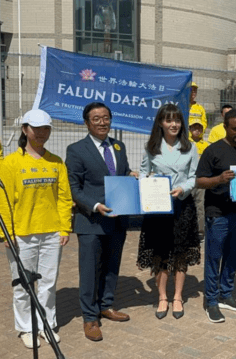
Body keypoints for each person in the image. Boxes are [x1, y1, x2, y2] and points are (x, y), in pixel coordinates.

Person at [0, 109, 72, 349]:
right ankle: (25, 327)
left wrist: (65, 228)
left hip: (52, 232)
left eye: (46, 128)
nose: (42, 133)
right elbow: (4, 200)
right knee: (23, 284)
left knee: (49, 282)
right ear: (25, 129)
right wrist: (6, 233)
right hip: (21, 235)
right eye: (36, 128)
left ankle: (46, 324)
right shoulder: (10, 163)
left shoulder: (56, 162)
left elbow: (64, 197)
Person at [66, 102, 135, 341]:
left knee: (111, 265)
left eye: (106, 118)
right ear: (86, 123)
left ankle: (106, 305)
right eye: (96, 119)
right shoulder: (76, 150)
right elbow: (73, 187)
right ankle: (90, 317)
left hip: (118, 218)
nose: (102, 123)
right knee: (89, 270)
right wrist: (95, 206)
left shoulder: (119, 146)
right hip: (92, 220)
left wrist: (131, 175)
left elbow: (121, 174)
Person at [137, 104, 201, 320]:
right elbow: (144, 172)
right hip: (158, 207)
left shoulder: (190, 147)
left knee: (180, 253)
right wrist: (147, 183)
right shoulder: (152, 146)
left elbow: (194, 176)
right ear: (161, 123)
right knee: (161, 252)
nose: (173, 124)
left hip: (182, 205)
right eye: (168, 120)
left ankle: (178, 297)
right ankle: (162, 296)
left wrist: (183, 188)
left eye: (177, 120)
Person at [196, 109, 236, 323]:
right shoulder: (213, 151)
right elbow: (199, 181)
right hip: (218, 213)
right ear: (225, 126)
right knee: (214, 258)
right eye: (235, 129)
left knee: (234, 256)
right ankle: (211, 301)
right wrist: (219, 179)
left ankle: (226, 293)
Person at [189, 116, 210, 242]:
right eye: (194, 128)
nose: (197, 130)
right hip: (187, 180)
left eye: (199, 128)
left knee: (200, 206)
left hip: (201, 180)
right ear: (190, 129)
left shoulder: (206, 146)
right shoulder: (185, 144)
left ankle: (200, 232)